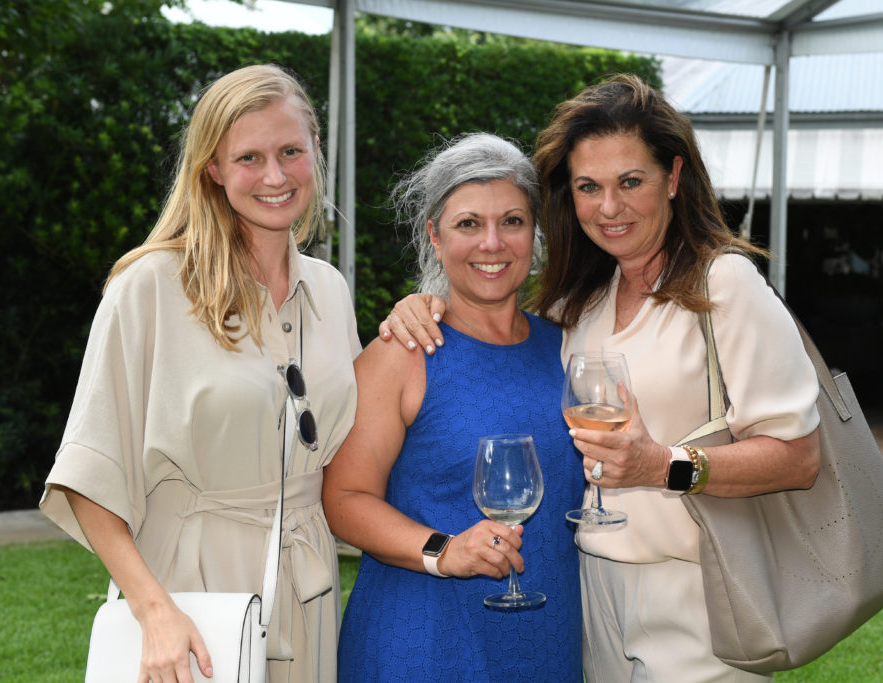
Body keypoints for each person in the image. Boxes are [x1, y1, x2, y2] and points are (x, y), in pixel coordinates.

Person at [380, 74, 822, 682]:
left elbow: (799, 459)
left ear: (673, 177)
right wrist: (420, 303)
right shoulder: (580, 303)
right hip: (589, 598)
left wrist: (661, 464)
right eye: (589, 187)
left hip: (696, 594)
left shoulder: (725, 285)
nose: (609, 207)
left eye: (630, 182)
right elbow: (487, 328)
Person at [40, 64, 360, 683]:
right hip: (190, 598)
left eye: (291, 151)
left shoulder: (331, 289)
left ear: (316, 150)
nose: (274, 176)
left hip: (309, 591)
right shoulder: (150, 287)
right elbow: (86, 474)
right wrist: (154, 611)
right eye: (249, 157)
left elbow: (349, 447)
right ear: (212, 168)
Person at [322, 133, 584, 683]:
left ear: (534, 233)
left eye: (511, 221)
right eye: (468, 224)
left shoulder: (566, 347)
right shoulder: (403, 352)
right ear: (434, 237)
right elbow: (343, 499)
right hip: (422, 645)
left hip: (545, 644)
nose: (492, 243)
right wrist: (443, 549)